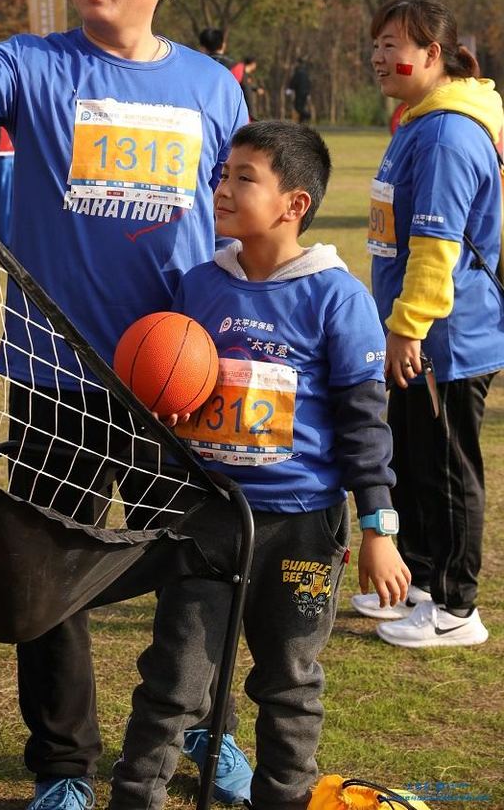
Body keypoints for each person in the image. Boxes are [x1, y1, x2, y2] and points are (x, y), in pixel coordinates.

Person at [0, 0, 253, 808]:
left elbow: (235, 222)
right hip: (56, 373)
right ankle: (62, 767)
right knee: (52, 574)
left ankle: (203, 727)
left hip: (182, 376)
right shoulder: (34, 64)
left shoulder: (214, 87)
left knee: (204, 566)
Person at [109, 121, 409, 810]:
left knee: (288, 684)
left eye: (245, 177)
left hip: (302, 529)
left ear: (293, 204)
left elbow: (365, 430)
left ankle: (283, 800)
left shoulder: (338, 297)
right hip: (208, 520)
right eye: (222, 174)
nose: (223, 188)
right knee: (173, 683)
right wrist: (170, 417)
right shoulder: (200, 285)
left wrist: (379, 527)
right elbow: (178, 395)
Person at [354, 0, 504, 648]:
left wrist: (408, 326)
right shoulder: (418, 122)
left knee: (445, 470)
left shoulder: (447, 134)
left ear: (434, 54)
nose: (382, 57)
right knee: (414, 462)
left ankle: (453, 607)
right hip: (418, 334)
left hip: (445, 337)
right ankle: (414, 583)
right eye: (377, 44)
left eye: (396, 45)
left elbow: (437, 245)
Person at [286, 59, 312, 124]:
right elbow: (308, 83)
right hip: (305, 93)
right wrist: (308, 93)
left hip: (300, 93)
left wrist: (290, 89)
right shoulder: (306, 72)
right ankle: (301, 123)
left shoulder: (298, 72)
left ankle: (307, 115)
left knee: (297, 107)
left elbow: (294, 81)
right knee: (301, 107)